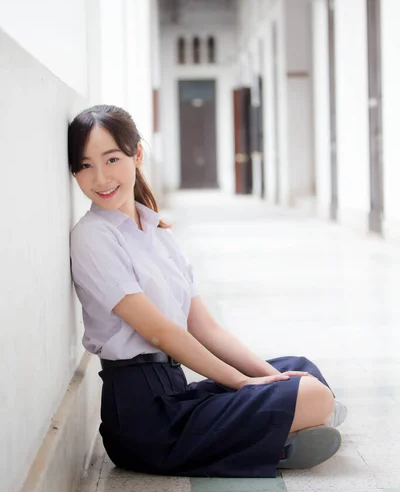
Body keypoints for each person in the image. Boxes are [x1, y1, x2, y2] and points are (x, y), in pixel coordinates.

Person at [68, 104, 346, 478]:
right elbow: (161, 332)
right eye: (85, 165)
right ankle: (291, 431)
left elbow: (205, 328)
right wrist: (245, 384)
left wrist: (267, 378)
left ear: (137, 154)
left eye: (111, 159)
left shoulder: (157, 231)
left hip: (176, 392)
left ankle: (288, 428)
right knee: (311, 394)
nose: (100, 178)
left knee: (299, 370)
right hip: (145, 423)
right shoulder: (93, 236)